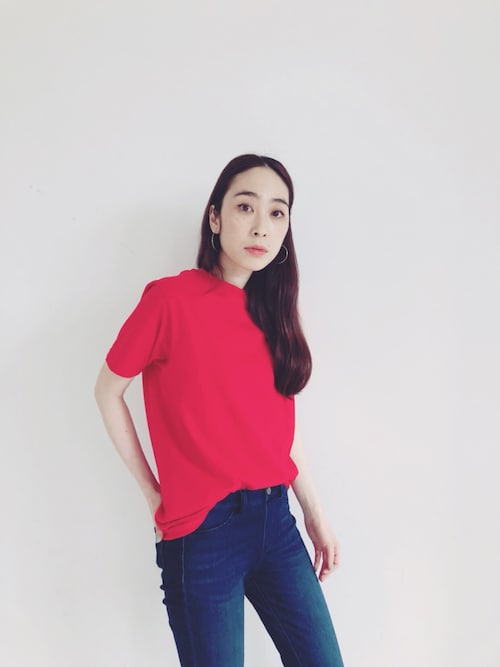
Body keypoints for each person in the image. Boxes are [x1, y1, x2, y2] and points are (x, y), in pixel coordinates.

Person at [94, 154, 344, 667]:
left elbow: (280, 432)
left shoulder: (274, 314)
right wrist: (153, 494)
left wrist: (314, 514)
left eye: (277, 212)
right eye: (245, 206)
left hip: (276, 523)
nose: (261, 226)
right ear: (215, 217)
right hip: (203, 533)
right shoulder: (169, 301)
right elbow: (107, 391)